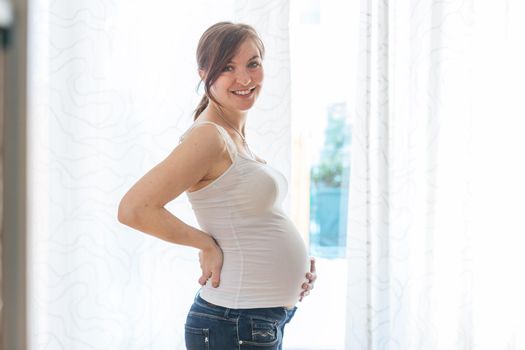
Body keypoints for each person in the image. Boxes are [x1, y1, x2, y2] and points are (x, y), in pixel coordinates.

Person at [117, 21, 317, 349]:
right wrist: (205, 244)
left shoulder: (234, 137)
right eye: (227, 68)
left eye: (253, 64)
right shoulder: (210, 137)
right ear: (203, 73)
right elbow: (134, 208)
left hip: (254, 319)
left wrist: (293, 275)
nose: (245, 78)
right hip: (235, 321)